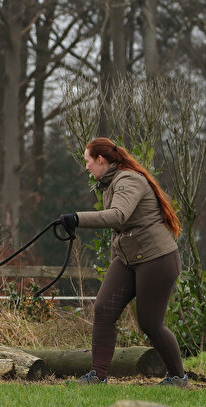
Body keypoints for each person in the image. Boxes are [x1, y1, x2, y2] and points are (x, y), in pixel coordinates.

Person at [58, 137, 187, 387]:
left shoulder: (128, 180)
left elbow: (118, 216)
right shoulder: (110, 184)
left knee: (150, 324)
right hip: (128, 259)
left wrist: (77, 218)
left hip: (157, 259)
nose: (86, 167)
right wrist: (114, 261)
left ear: (100, 159)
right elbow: (119, 232)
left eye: (88, 161)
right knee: (103, 310)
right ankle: (98, 376)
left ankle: (178, 377)